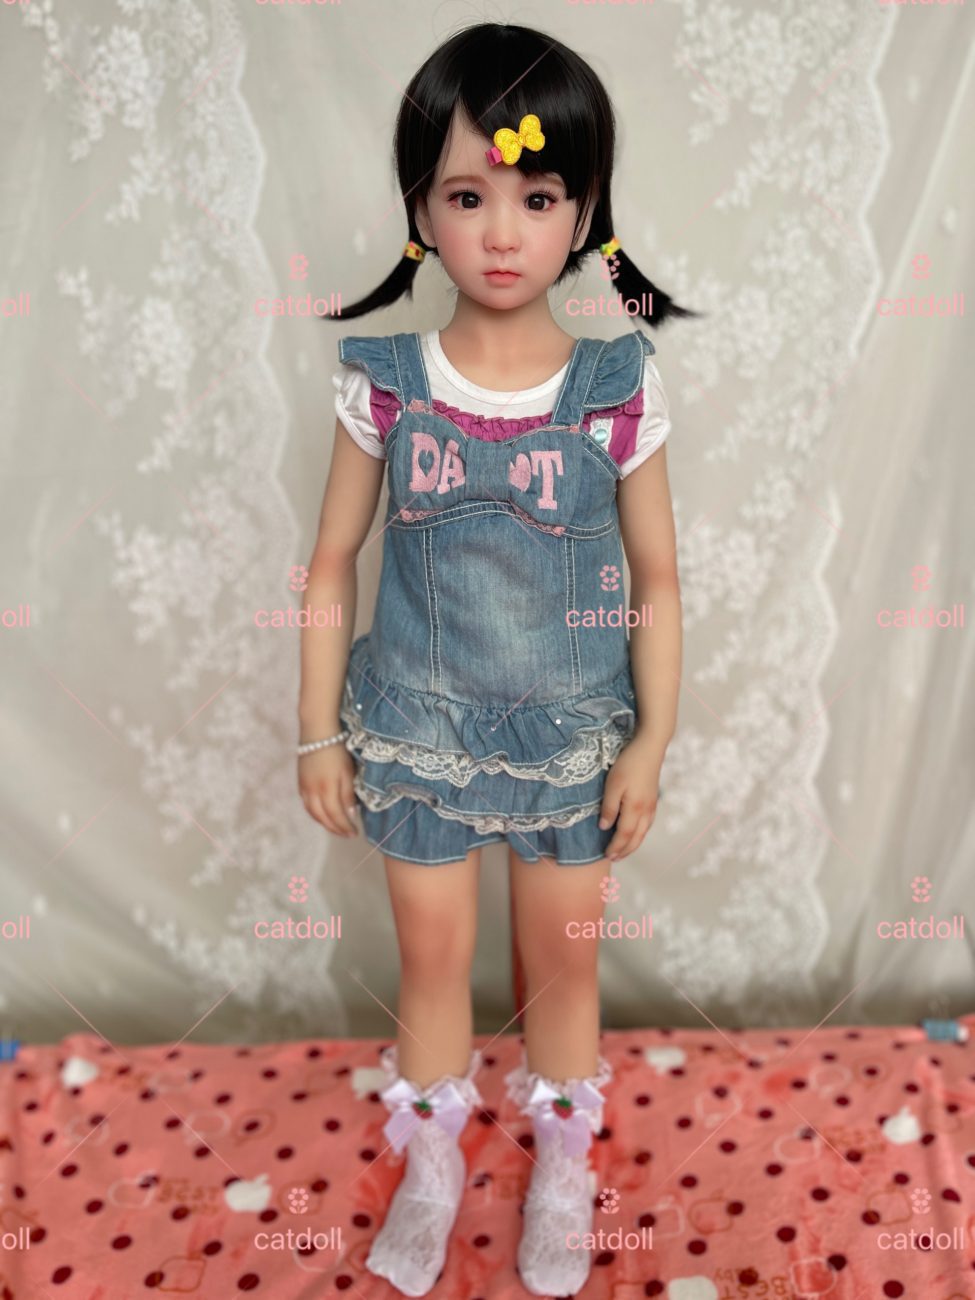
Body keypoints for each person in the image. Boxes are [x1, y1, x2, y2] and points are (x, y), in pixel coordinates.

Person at [298, 21, 689, 1298]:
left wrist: (651, 739)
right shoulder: (387, 381)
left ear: (585, 210)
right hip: (416, 725)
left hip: (572, 735)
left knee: (563, 965)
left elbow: (658, 578)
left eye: (538, 196)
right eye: (468, 198)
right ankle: (433, 1164)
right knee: (429, 962)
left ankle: (562, 1168)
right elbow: (331, 563)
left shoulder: (616, 387)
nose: (503, 233)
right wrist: (318, 731)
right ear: (421, 206)